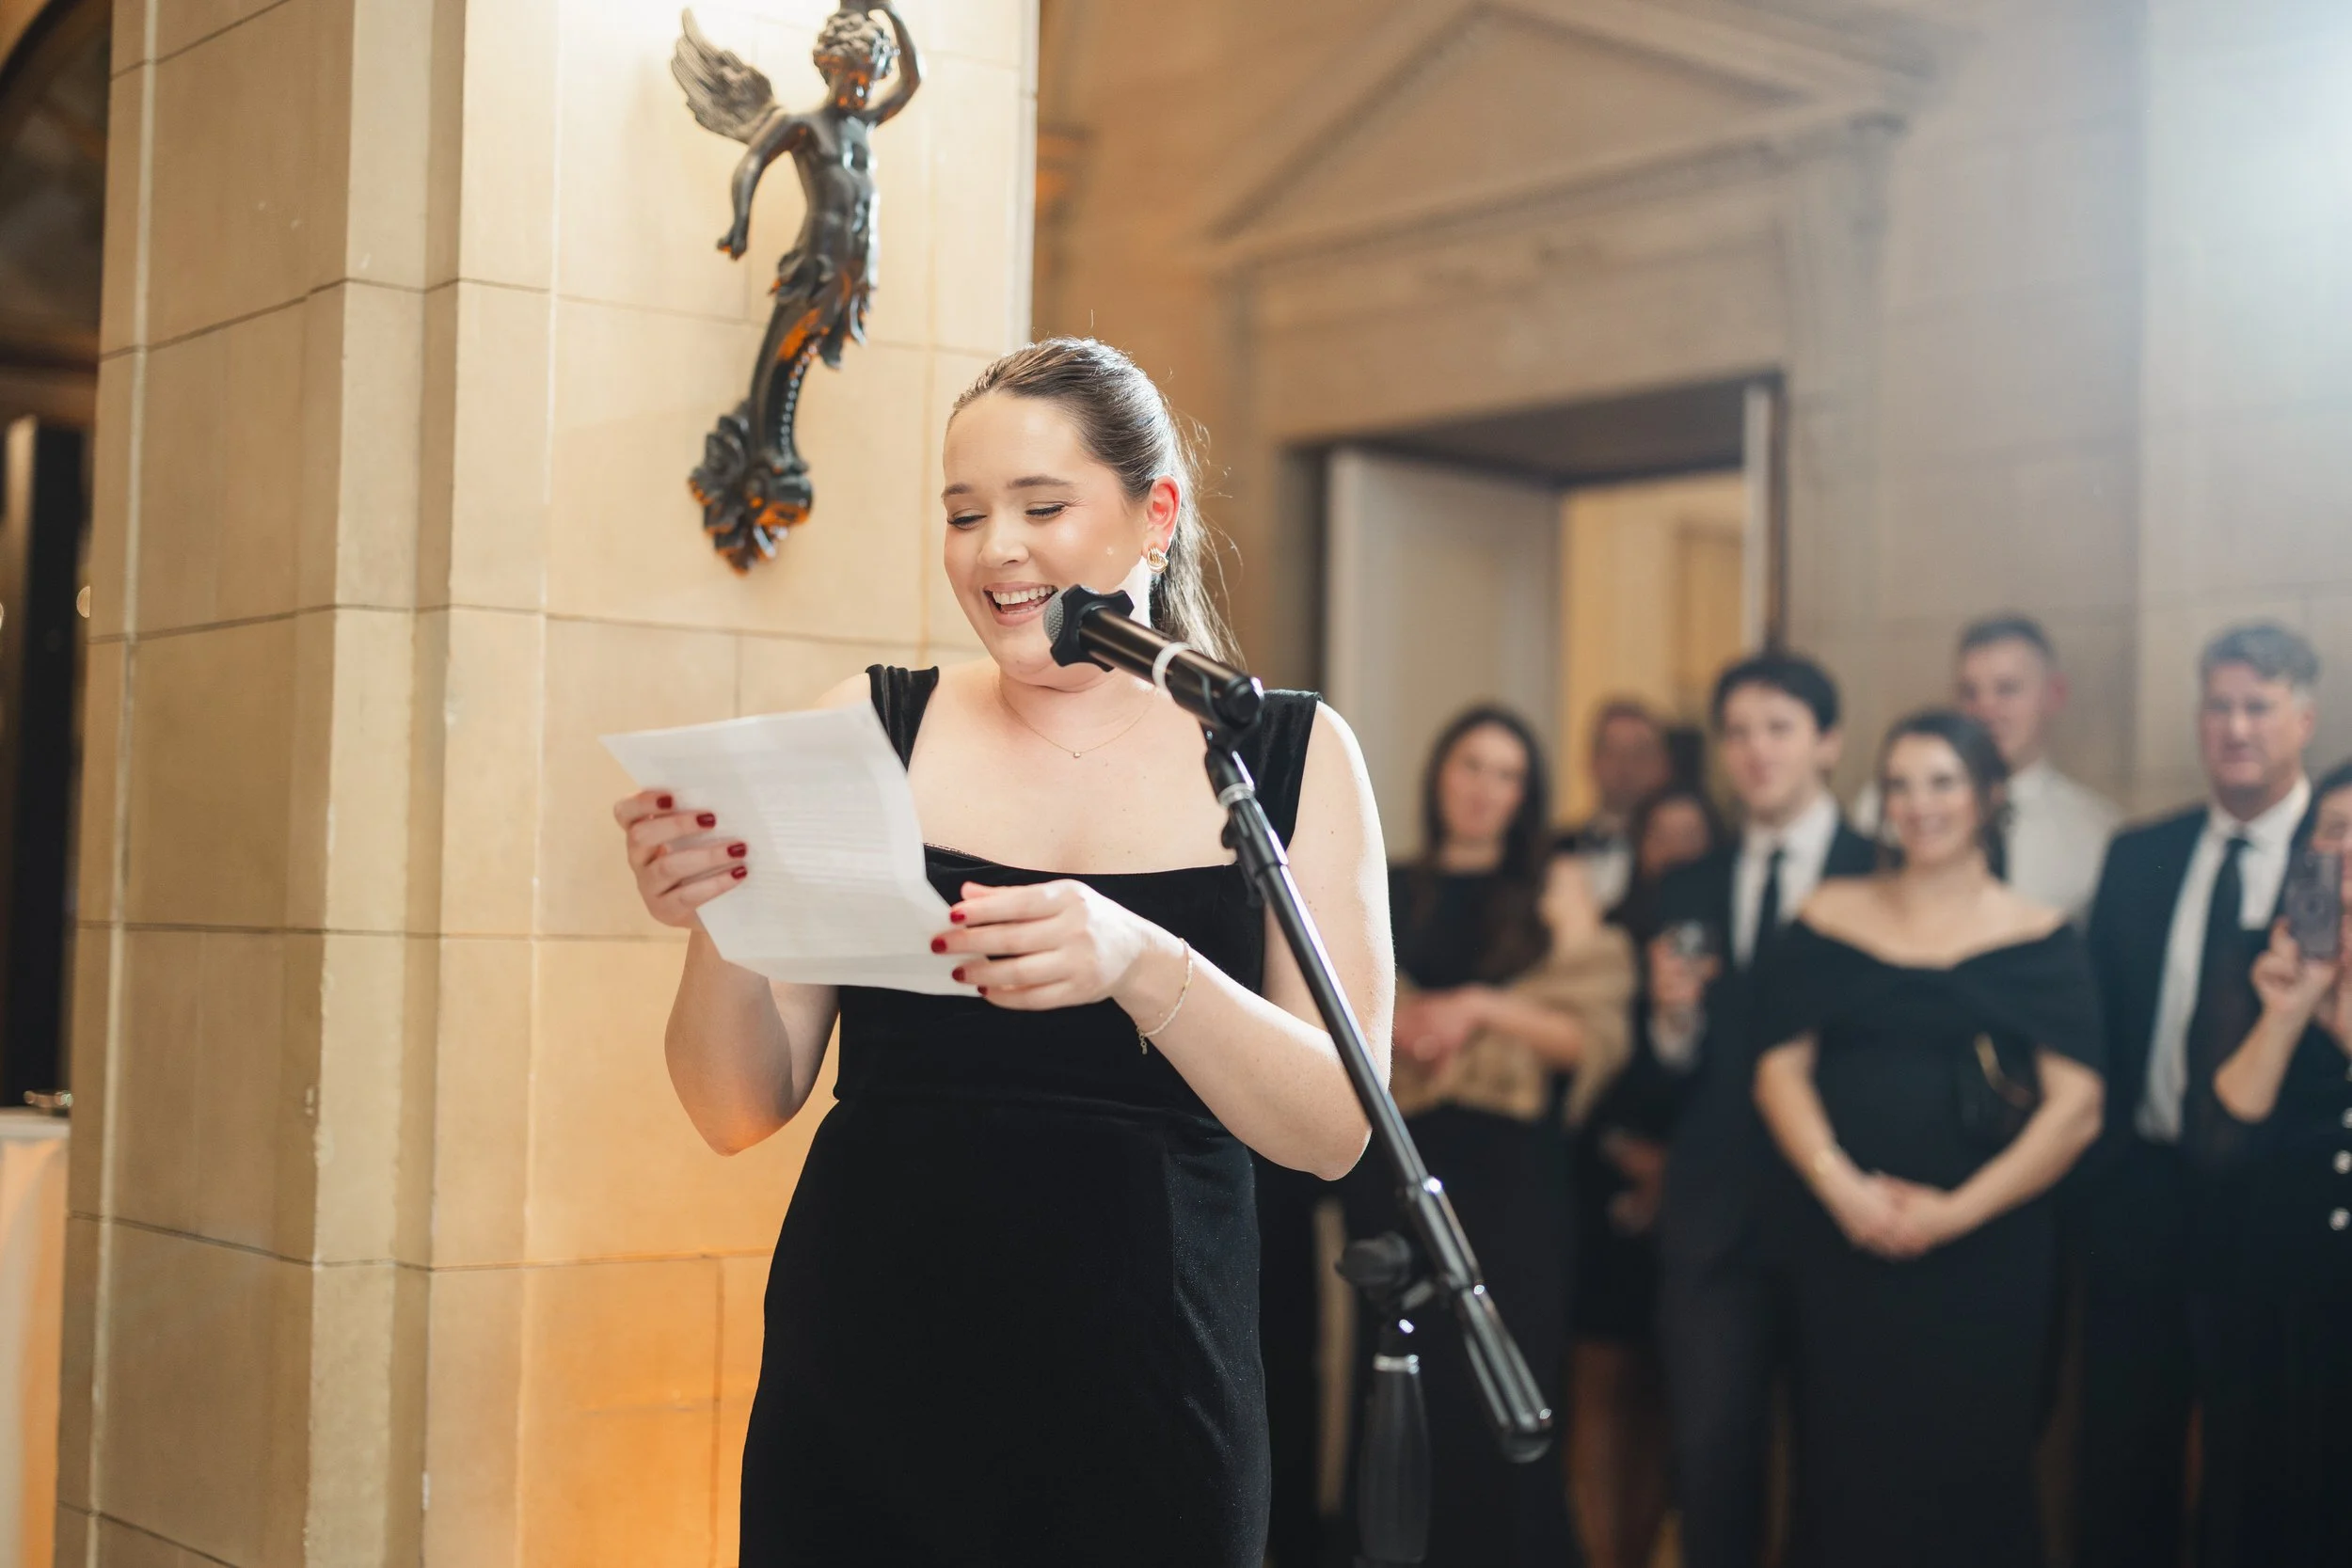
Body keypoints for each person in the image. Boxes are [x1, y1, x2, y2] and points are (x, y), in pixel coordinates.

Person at [612, 338, 1393, 1567]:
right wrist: (718, 914)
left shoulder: (1287, 755)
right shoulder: (870, 729)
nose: (995, 551)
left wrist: (1144, 963)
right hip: (864, 1381)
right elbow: (735, 1105)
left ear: (1155, 515)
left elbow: (1339, 1127)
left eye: (1041, 506)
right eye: (965, 513)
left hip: (1153, 1398)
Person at [1753, 710, 2106, 1567]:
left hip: (1989, 1252)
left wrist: (1953, 1213)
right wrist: (1843, 1188)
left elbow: (2077, 1108)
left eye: (1943, 781)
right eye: (1900, 785)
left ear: (1988, 794)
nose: (1920, 804)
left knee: (1974, 1472)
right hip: (1844, 1239)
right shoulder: (1827, 914)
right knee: (1842, 1467)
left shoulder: (2041, 936)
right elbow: (1778, 1070)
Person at [1347, 705, 1634, 1568]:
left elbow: (1591, 1033)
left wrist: (1476, 1010)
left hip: (1512, 1177)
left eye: (1507, 774)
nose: (1484, 788)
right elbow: (1342, 1002)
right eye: (1471, 765)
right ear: (1440, 772)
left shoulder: (1551, 894)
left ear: (1527, 794)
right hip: (1399, 1158)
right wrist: (1404, 1025)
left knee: (1506, 1377)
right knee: (1400, 1382)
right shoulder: (1383, 880)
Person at [2075, 621, 2319, 1568]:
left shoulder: (2331, 855)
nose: (2236, 726)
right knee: (2121, 1447)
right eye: (2219, 705)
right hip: (2140, 1187)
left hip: (2275, 1199)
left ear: (2304, 718)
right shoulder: (2141, 853)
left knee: (2259, 1455)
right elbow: (2101, 1023)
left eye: (2258, 705)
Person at [1645, 653, 1877, 1568]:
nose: (1756, 750)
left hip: (1843, 1206)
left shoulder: (1881, 868)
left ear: (1828, 741)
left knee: (1842, 1465)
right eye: (1737, 732)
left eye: (1778, 727)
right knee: (1711, 1463)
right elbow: (1660, 1077)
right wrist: (1671, 1019)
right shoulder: (1688, 883)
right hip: (1714, 1219)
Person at [2197, 758, 2352, 1568]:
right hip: (2278, 1294)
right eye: (2335, 829)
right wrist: (2289, 1014)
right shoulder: (2261, 955)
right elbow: (2218, 1142)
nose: (2349, 850)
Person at [1568, 784, 1729, 1568]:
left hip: (1702, 1187)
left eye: (1692, 835)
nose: (1676, 850)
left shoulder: (1728, 936)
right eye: (1661, 834)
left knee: (1674, 1388)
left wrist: (1678, 1165)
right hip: (1608, 1179)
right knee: (1603, 1376)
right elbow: (1590, 1064)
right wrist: (1624, 1151)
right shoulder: (1611, 933)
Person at [1853, 614, 2121, 922]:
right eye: (1969, 692)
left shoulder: (2097, 831)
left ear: (2054, 693)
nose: (1986, 709)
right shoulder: (1888, 805)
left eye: (2007, 689)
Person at [1560, 699, 1676, 910]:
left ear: (1663, 765)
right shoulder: (1554, 849)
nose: (1625, 766)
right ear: (1591, 761)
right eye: (1612, 752)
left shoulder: (1678, 853)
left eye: (1639, 754)